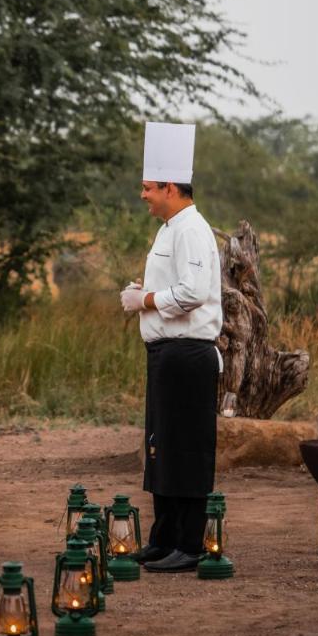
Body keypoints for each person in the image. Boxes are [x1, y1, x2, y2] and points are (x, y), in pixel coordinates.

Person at [120, 122, 222, 573]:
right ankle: (163, 537)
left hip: (188, 354)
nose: (142, 195)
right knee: (161, 445)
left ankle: (189, 543)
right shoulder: (168, 228)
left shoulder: (192, 229)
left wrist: (143, 300)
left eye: (147, 188)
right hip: (166, 354)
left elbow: (193, 293)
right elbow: (174, 286)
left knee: (186, 448)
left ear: (169, 186)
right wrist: (148, 290)